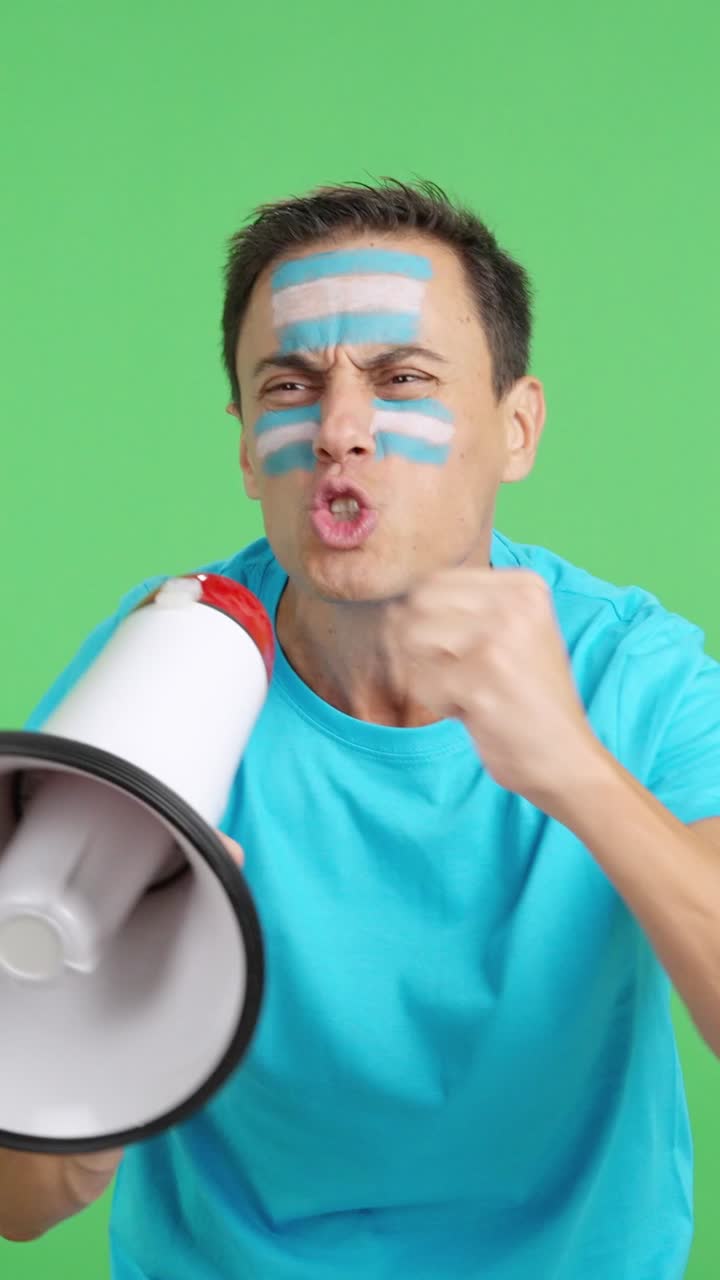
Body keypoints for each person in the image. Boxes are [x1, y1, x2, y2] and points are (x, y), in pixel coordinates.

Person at [2, 178, 720, 1278]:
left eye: (403, 380)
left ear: (517, 427)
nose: (340, 431)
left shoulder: (635, 670)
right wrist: (111, 1035)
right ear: (249, 448)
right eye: (291, 386)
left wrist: (573, 768)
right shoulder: (164, 665)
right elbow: (20, 1203)